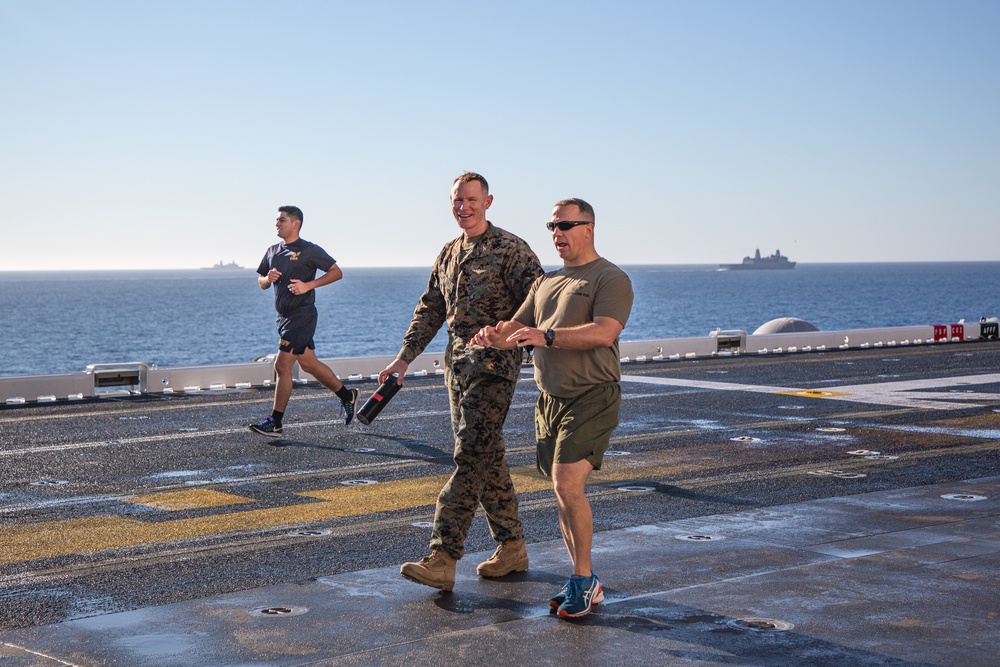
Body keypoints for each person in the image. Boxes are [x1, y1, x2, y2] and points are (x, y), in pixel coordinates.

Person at [380, 172, 544, 591]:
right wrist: (403, 359)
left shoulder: (511, 249)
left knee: (469, 456)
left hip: (494, 369)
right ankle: (512, 546)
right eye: (457, 200)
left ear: (488, 202)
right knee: (486, 456)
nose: (463, 207)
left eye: (471, 200)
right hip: (458, 369)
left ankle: (443, 555)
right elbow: (431, 308)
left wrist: (514, 335)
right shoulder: (450, 252)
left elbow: (540, 301)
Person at [471, 198, 633, 618]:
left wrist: (547, 336)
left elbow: (603, 332)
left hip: (592, 395)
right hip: (550, 399)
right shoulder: (546, 282)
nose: (557, 233)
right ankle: (584, 579)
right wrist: (493, 335)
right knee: (561, 490)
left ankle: (582, 578)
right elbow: (516, 329)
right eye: (552, 226)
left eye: (564, 225)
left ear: (588, 228)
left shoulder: (610, 278)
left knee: (566, 485)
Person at [249, 205, 359, 438]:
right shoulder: (272, 251)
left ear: (295, 223)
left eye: (281, 220)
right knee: (309, 364)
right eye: (277, 221)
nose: (277, 224)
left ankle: (275, 423)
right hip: (283, 318)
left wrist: (309, 285)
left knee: (282, 366)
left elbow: (336, 272)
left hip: (302, 316)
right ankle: (347, 396)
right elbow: (260, 281)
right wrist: (267, 278)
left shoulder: (309, 250)